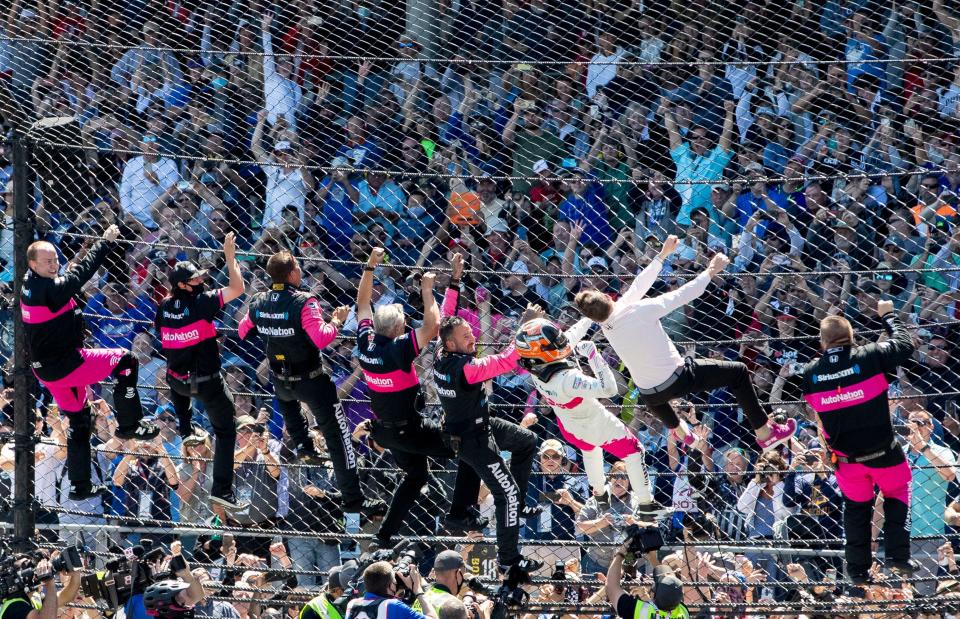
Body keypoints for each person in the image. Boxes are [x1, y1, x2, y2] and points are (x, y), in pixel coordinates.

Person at [573, 234, 795, 452]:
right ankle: (765, 433)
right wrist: (711, 270)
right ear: (610, 298)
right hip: (678, 379)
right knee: (739, 372)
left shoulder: (606, 324)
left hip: (651, 396)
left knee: (653, 395)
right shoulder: (640, 310)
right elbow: (683, 294)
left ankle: (681, 432)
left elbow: (637, 287)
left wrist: (662, 255)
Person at [239, 250, 382, 517]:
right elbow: (322, 338)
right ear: (293, 273)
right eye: (299, 268)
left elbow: (243, 331)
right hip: (312, 381)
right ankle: (353, 499)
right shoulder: (304, 301)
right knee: (339, 438)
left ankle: (305, 448)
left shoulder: (258, 301)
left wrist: (272, 327)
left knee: (293, 415)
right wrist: (337, 321)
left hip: (281, 381)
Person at [355, 248, 482, 546]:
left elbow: (362, 304)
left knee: (415, 477)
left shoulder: (366, 343)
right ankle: (460, 512)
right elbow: (433, 326)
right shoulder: (398, 349)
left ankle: (384, 536)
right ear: (399, 329)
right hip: (411, 428)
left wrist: (370, 267)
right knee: (470, 447)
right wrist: (427, 291)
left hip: (387, 431)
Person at [21, 226, 159, 499]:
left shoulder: (31, 282)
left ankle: (79, 485)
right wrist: (104, 244)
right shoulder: (47, 289)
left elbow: (68, 278)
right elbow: (78, 277)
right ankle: (130, 424)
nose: (54, 265)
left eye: (55, 260)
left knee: (80, 420)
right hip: (65, 364)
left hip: (48, 370)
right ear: (33, 264)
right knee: (127, 360)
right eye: (47, 262)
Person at [433, 264, 543, 573]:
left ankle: (516, 506)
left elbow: (445, 316)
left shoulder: (442, 352)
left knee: (527, 441)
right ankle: (509, 560)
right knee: (504, 491)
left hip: (477, 423)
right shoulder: (468, 368)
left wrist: (454, 280)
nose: (473, 338)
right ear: (452, 344)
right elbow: (509, 359)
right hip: (473, 438)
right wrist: (526, 326)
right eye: (467, 337)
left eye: (472, 334)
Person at [800, 300, 916, 584]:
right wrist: (888, 314)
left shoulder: (811, 372)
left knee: (856, 509)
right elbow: (904, 343)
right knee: (897, 493)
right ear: (852, 337)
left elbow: (815, 415)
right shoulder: (869, 355)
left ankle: (857, 571)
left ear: (822, 342)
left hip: (846, 460)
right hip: (883, 452)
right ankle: (898, 558)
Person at [515, 315, 663, 517]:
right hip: (595, 424)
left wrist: (590, 316)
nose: (561, 344)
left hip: (569, 428)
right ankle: (647, 506)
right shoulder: (568, 379)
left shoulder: (535, 370)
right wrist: (593, 354)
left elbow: (569, 337)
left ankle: (600, 495)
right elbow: (610, 389)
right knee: (635, 451)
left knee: (589, 449)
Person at [154, 232, 247, 509]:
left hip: (179, 383)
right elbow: (238, 288)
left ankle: (186, 431)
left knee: (174, 375)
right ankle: (222, 490)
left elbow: (164, 334)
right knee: (227, 430)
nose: (201, 280)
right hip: (207, 382)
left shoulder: (164, 306)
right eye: (195, 279)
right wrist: (230, 257)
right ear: (183, 285)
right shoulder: (203, 301)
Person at [605, 537, 688, 619]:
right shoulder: (683, 612)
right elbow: (662, 610)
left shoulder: (639, 610)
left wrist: (620, 554)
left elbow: (611, 587)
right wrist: (652, 557)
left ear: (652, 594)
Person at [344, 560, 437, 619]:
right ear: (390, 585)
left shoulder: (352, 604)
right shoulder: (392, 605)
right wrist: (418, 589)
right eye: (394, 582)